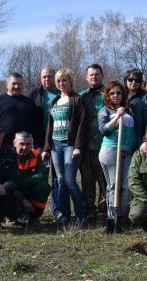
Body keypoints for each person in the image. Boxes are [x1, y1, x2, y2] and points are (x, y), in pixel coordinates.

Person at [43, 68, 86, 229]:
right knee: (60, 181)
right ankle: (66, 215)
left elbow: (82, 124)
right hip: (55, 146)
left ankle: (81, 215)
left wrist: (78, 146)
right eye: (59, 81)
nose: (62, 83)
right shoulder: (54, 101)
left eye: (65, 80)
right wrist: (46, 148)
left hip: (70, 146)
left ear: (70, 81)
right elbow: (50, 126)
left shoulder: (76, 99)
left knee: (69, 180)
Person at [98, 81, 136, 226]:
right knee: (114, 185)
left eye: (118, 92)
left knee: (127, 186)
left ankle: (122, 215)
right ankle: (112, 217)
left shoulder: (129, 110)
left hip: (126, 151)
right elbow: (104, 130)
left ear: (123, 94)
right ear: (108, 95)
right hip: (111, 150)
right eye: (112, 93)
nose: (115, 95)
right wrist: (116, 116)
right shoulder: (104, 110)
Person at [29, 67, 61, 220]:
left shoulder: (62, 93)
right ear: (40, 78)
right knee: (40, 177)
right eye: (44, 77)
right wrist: (37, 144)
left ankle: (57, 210)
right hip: (39, 143)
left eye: (50, 77)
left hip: (59, 141)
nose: (47, 80)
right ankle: (35, 211)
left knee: (57, 178)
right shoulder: (35, 94)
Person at [79, 64, 107, 224]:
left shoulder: (108, 95)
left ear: (101, 76)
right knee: (87, 181)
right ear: (86, 77)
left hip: (103, 144)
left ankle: (103, 210)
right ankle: (89, 210)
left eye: (96, 74)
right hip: (85, 146)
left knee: (103, 180)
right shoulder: (81, 96)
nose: (93, 77)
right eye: (91, 75)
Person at [0, 72, 37, 146]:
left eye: (19, 84)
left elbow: (35, 125)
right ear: (7, 84)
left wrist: (37, 144)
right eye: (14, 83)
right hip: (2, 145)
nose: (17, 86)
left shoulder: (29, 103)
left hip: (24, 146)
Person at [13, 131, 51, 225]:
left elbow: (43, 175)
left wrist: (23, 181)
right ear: (14, 143)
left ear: (32, 144)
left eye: (28, 144)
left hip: (29, 190)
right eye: (21, 144)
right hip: (14, 192)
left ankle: (34, 215)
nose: (25, 147)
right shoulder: (8, 155)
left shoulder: (37, 154)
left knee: (43, 186)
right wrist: (22, 199)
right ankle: (11, 216)